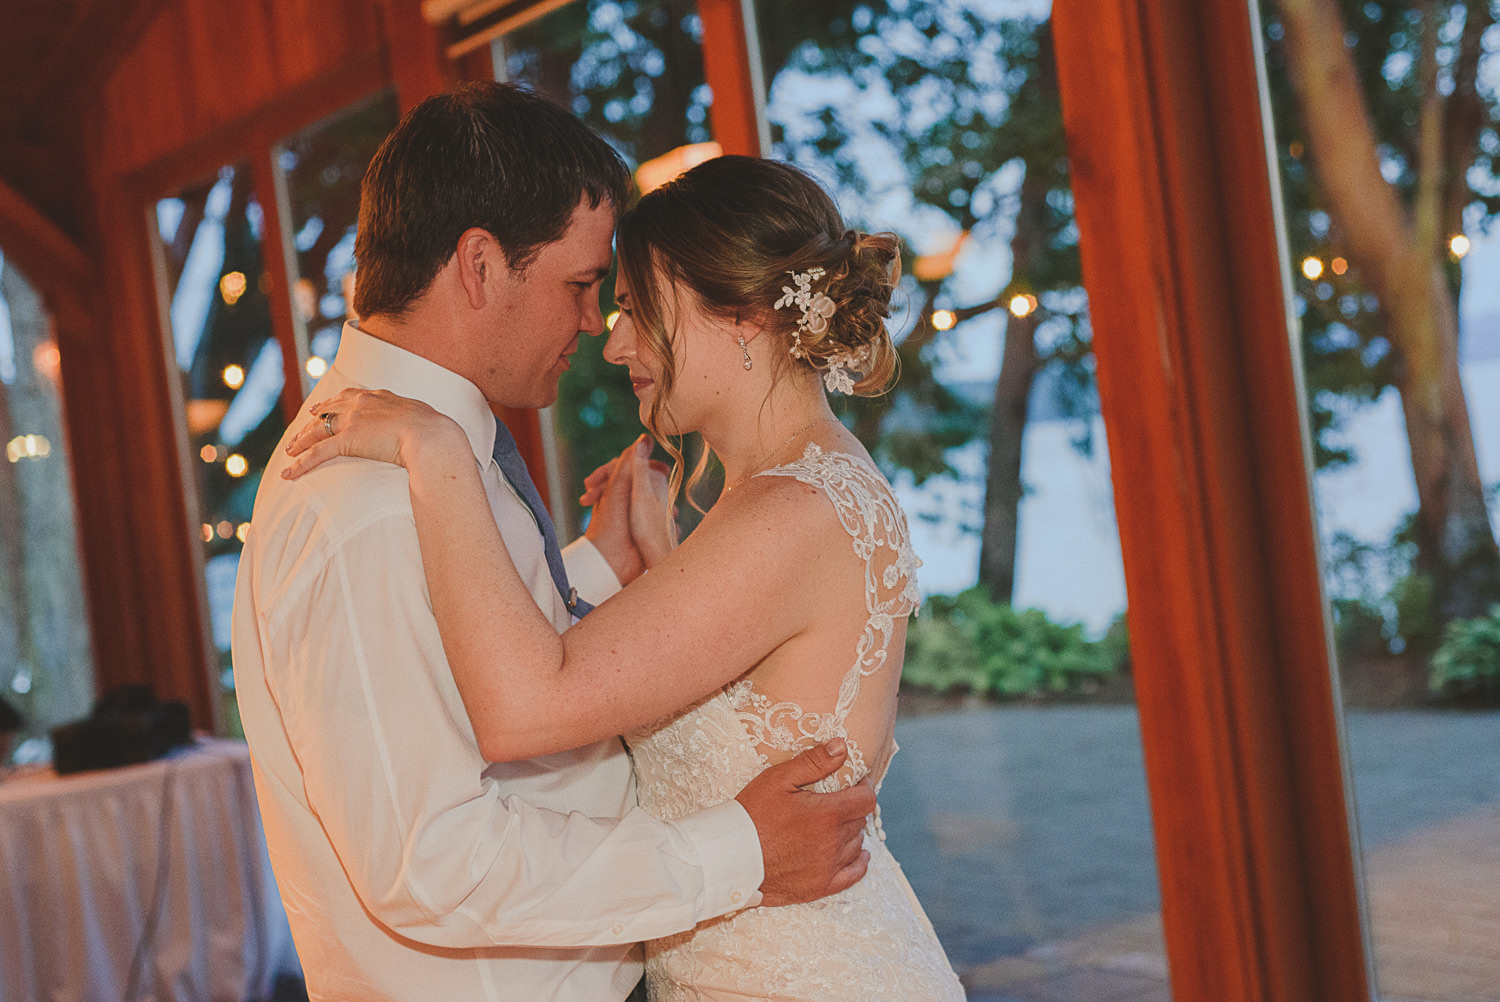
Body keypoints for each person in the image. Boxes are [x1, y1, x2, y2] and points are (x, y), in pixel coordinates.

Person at [231, 85, 876, 1002]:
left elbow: (467, 662)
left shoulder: (437, 455)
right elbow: (430, 864)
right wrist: (734, 850)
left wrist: (596, 571)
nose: (596, 328)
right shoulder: (367, 500)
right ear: (480, 266)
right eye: (580, 285)